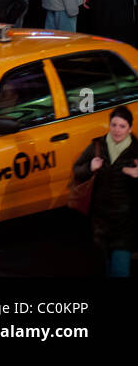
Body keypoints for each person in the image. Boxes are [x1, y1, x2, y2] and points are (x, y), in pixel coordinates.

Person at [71, 106, 138, 277]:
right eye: (114, 125)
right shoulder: (97, 146)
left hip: (126, 223)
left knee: (120, 270)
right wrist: (89, 167)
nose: (117, 130)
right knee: (105, 267)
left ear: (130, 128)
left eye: (122, 126)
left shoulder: (136, 150)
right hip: (100, 222)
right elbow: (77, 169)